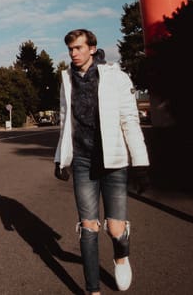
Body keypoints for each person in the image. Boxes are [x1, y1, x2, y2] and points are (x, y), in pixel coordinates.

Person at [54, 29, 150, 294]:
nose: (73, 53)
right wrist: (60, 159)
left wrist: (140, 163)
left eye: (78, 48)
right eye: (70, 49)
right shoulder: (66, 80)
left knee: (115, 229)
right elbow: (65, 122)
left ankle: (121, 256)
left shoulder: (116, 77)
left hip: (114, 161)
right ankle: (92, 290)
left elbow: (129, 120)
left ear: (92, 49)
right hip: (83, 161)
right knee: (88, 228)